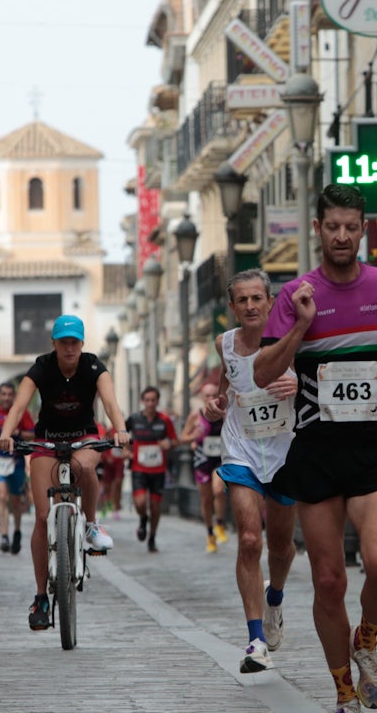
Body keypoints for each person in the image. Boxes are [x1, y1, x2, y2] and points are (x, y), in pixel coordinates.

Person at [255, 183, 377, 713]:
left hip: (376, 448)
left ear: (363, 229)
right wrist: (302, 327)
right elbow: (262, 372)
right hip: (316, 452)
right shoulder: (294, 294)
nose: (341, 236)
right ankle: (342, 697)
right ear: (317, 229)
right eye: (331, 226)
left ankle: (368, 640)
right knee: (329, 581)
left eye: (351, 226)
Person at [0, 316, 128, 631]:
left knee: (83, 465)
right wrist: (6, 433)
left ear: (82, 344)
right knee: (42, 516)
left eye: (75, 342)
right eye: (63, 342)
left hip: (85, 436)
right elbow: (18, 407)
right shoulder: (41, 367)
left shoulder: (94, 367)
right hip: (46, 440)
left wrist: (120, 430)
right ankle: (41, 595)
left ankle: (92, 525)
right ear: (54, 344)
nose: (69, 348)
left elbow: (110, 403)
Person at [206, 269, 299, 674]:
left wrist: (298, 387)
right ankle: (255, 639)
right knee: (249, 539)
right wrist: (216, 402)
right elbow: (225, 384)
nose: (249, 306)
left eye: (256, 298)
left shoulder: (292, 338)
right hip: (241, 448)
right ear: (232, 306)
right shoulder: (224, 343)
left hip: (284, 451)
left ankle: (274, 597)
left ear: (269, 300)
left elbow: (315, 381)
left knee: (280, 546)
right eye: (241, 300)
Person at [0, 381, 34, 554]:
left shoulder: (21, 413)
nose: (6, 398)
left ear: (14, 396)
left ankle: (16, 531)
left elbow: (32, 434)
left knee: (15, 501)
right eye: (3, 394)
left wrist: (19, 433)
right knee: (1, 495)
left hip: (15, 462)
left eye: (10, 394)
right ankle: (4, 535)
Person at [125, 387, 177, 552]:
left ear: (157, 401)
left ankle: (152, 537)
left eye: (153, 400)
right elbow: (120, 435)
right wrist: (126, 450)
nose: (150, 403)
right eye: (147, 400)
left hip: (158, 469)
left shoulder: (164, 420)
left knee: (155, 506)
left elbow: (175, 440)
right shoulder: (134, 419)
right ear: (143, 401)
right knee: (140, 503)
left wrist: (168, 444)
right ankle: (142, 518)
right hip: (139, 468)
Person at [186, 382, 229, 553]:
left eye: (213, 395)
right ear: (201, 397)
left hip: (220, 458)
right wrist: (193, 439)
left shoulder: (225, 412)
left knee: (218, 490)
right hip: (202, 459)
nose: (211, 398)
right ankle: (210, 534)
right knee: (205, 499)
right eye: (207, 396)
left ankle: (219, 524)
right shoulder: (195, 416)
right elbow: (183, 437)